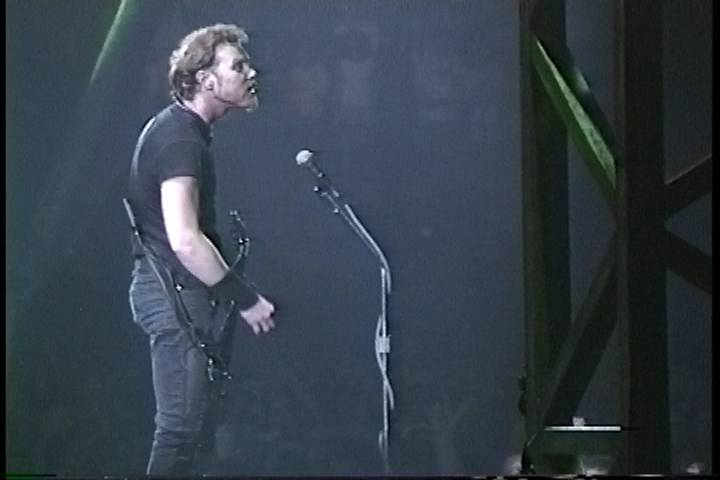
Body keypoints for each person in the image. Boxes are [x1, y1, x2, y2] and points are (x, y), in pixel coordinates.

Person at [126, 23, 275, 475]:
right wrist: (245, 299)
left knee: (189, 432)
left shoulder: (182, 132)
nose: (251, 73)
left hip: (177, 294)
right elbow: (185, 239)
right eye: (238, 66)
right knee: (178, 431)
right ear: (206, 80)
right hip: (173, 295)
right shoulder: (180, 139)